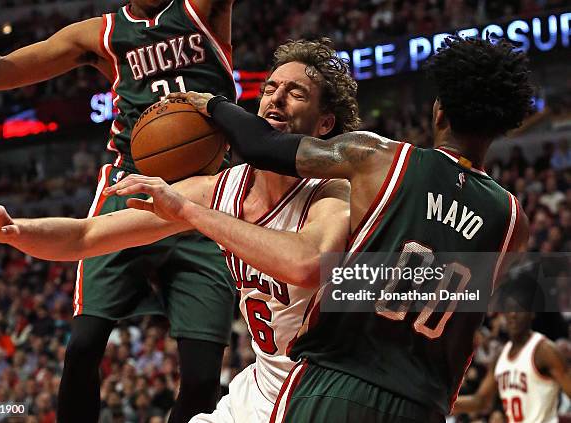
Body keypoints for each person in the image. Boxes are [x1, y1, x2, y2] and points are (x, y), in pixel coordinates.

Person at [0, 39, 360, 422]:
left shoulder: (335, 191)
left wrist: (189, 212)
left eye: (296, 93)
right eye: (271, 87)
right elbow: (87, 236)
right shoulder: (224, 187)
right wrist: (14, 229)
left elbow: (307, 264)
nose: (276, 97)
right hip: (261, 387)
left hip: (326, 387)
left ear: (326, 123)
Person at [173, 35, 534, 422]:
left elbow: (262, 146)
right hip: (422, 405)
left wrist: (212, 103)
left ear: (438, 112)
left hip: (336, 381)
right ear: (500, 129)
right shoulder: (513, 222)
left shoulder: (380, 158)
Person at [0, 1, 237, 422]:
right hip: (129, 190)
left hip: (207, 196)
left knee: (202, 381)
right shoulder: (100, 34)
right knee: (84, 345)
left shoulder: (201, 10)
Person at [453, 281, 571, 422]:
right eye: (509, 309)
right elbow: (480, 401)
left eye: (519, 309)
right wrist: (442, 404)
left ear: (532, 313)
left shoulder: (544, 351)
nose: (513, 314)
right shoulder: (500, 357)